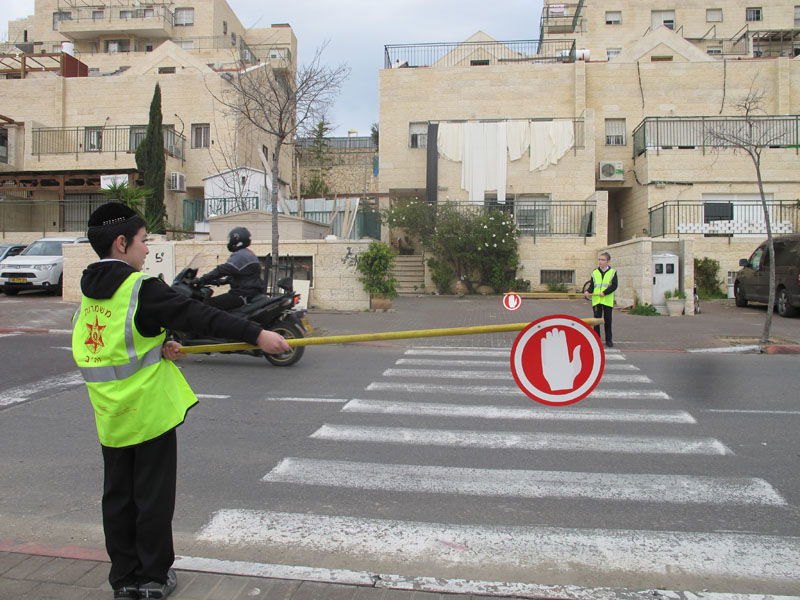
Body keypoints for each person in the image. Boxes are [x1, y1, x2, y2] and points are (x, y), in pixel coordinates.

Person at [71, 203, 289, 600]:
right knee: (151, 500)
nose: (146, 249)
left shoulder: (88, 294)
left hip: (111, 417)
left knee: (118, 500)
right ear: (121, 243)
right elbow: (199, 315)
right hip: (149, 414)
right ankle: (153, 580)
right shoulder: (140, 288)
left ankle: (125, 580)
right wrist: (257, 335)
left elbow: (107, 347)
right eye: (143, 241)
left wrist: (158, 345)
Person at [194, 226, 265, 311]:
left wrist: (202, 279)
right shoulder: (248, 253)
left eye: (230, 239)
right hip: (250, 293)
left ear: (236, 240)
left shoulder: (240, 255)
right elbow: (242, 276)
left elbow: (222, 270)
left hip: (242, 294)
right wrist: (219, 282)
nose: (229, 242)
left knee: (206, 306)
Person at [583, 251, 617, 348]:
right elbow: (592, 286)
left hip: (607, 301)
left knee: (607, 320)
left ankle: (608, 340)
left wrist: (605, 292)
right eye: (599, 259)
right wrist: (587, 291)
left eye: (603, 260)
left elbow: (614, 286)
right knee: (596, 321)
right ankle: (596, 339)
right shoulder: (595, 272)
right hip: (597, 300)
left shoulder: (612, 272)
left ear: (608, 261)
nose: (600, 261)